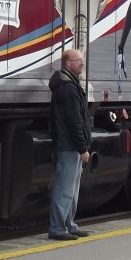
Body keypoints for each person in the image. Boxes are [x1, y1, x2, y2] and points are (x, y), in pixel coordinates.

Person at [49, 48, 93, 241]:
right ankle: (58, 228)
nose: (82, 63)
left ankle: (69, 225)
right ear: (68, 64)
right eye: (79, 60)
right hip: (69, 145)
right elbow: (74, 121)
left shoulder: (71, 85)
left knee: (72, 189)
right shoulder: (67, 88)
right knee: (65, 188)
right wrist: (82, 148)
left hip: (72, 145)